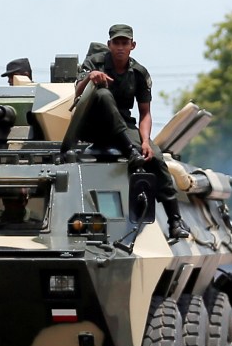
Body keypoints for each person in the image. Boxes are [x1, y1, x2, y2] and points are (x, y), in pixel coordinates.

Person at [74, 24, 189, 241]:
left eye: (124, 43)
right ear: (109, 45)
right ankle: (129, 150)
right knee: (104, 95)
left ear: (132, 46)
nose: (120, 47)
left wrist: (145, 141)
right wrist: (90, 77)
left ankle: (175, 220)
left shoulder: (138, 73)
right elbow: (77, 91)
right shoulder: (94, 63)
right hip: (93, 123)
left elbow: (145, 113)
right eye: (116, 43)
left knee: (155, 156)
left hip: (124, 125)